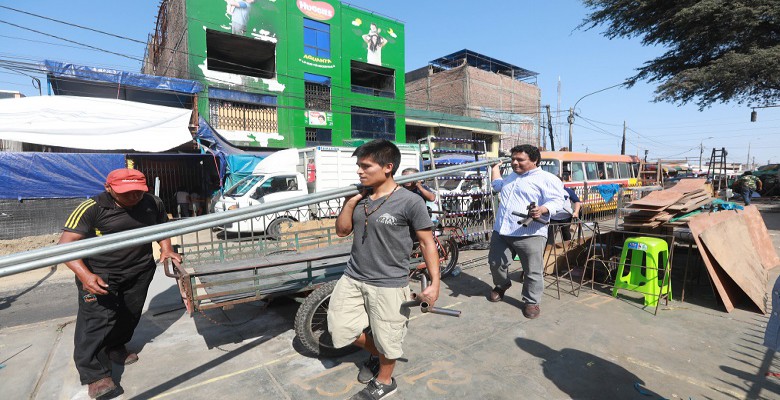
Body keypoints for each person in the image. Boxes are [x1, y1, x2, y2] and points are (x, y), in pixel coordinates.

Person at [328, 139, 440, 399]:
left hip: (389, 282)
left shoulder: (410, 201)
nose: (359, 171)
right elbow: (343, 231)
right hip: (353, 277)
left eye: (366, 166)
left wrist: (434, 282)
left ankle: (386, 380)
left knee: (389, 337)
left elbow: (426, 242)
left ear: (388, 167)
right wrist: (350, 202)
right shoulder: (361, 197)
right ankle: (381, 354)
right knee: (340, 329)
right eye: (358, 166)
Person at [57, 168, 181, 399]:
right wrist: (85, 275)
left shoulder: (152, 202)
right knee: (95, 322)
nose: (134, 197)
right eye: (126, 193)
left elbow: (162, 227)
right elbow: (65, 246)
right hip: (100, 274)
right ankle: (95, 375)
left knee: (129, 314)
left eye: (138, 192)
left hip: (140, 269)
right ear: (108, 188)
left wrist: (166, 249)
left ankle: (116, 347)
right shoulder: (91, 208)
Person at [487, 144, 566, 319]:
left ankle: (531, 301)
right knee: (495, 263)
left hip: (530, 233)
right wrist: (495, 167)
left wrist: (543, 209)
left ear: (534, 160)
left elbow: (558, 201)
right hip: (502, 230)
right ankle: (502, 285)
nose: (514, 163)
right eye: (513, 159)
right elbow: (497, 185)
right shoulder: (511, 177)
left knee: (532, 270)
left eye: (520, 160)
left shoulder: (547, 178)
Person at [548, 172, 582, 243]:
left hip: (566, 217)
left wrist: (576, 212)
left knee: (566, 234)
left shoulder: (567, 191)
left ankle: (567, 250)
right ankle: (549, 249)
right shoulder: (549, 191)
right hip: (553, 217)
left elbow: (577, 201)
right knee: (550, 236)